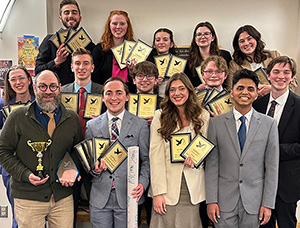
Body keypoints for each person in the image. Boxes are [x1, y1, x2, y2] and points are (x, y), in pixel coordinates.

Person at [0, 69, 83, 227]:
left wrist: (73, 168)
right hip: (28, 196)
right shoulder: (17, 117)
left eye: (53, 87)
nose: (48, 92)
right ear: (35, 88)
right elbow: (2, 151)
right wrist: (24, 174)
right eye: (43, 87)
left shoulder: (72, 118)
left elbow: (78, 151)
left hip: (62, 197)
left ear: (60, 87)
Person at [205, 69, 279, 227]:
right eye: (240, 88)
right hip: (223, 202)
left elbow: (272, 167)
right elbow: (212, 165)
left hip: (255, 201)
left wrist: (268, 203)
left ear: (257, 93)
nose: (245, 92)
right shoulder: (216, 123)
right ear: (231, 92)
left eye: (250, 89)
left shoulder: (269, 124)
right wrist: (211, 200)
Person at [85, 77, 150, 228]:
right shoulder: (92, 125)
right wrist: (94, 169)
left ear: (127, 97)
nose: (114, 97)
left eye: (119, 93)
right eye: (109, 93)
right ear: (102, 98)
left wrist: (143, 182)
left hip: (129, 195)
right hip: (100, 198)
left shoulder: (140, 125)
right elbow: (88, 161)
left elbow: (146, 160)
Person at [149, 72, 210, 228]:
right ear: (168, 94)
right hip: (166, 189)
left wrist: (198, 160)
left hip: (192, 190)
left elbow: (206, 148)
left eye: (181, 89)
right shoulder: (160, 116)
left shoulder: (203, 116)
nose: (177, 93)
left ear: (189, 91)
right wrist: (157, 193)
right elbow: (155, 156)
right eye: (172, 90)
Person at [253, 56, 300, 228]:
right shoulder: (257, 105)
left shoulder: (299, 105)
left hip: (286, 183)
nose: (281, 76)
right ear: (268, 75)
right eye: (276, 72)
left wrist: (275, 151)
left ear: (292, 77)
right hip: (259, 182)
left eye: (286, 72)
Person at [61, 47, 102, 226]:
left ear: (92, 67)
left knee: (100, 209)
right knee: (68, 209)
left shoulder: (105, 91)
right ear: (71, 67)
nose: (81, 67)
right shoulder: (61, 92)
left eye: (86, 63)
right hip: (68, 155)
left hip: (96, 155)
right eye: (77, 63)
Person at [0, 65, 35, 228]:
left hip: (36, 164)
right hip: (12, 166)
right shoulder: (2, 106)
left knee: (37, 213)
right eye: (13, 79)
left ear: (29, 79)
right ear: (8, 83)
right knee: (18, 214)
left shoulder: (39, 103)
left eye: (21, 77)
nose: (18, 82)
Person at [35, 0, 95, 86]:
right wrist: (56, 62)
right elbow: (38, 70)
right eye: (66, 13)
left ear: (80, 18)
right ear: (60, 18)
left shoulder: (88, 44)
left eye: (74, 13)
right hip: (57, 93)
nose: (70, 16)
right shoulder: (49, 41)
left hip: (82, 92)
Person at [229, 25, 297, 95]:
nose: (246, 43)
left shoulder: (273, 56)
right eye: (242, 41)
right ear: (238, 45)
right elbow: (230, 89)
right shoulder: (234, 64)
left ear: (256, 39)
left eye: (249, 39)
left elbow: (292, 82)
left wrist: (273, 89)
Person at [92, 10, 136, 92]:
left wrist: (131, 73)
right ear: (109, 26)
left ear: (127, 26)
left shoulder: (135, 49)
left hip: (129, 94)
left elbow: (140, 80)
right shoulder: (99, 49)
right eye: (114, 23)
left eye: (122, 24)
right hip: (105, 94)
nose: (118, 27)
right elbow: (94, 76)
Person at [185, 21, 232, 90]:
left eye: (206, 34)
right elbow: (188, 86)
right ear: (195, 39)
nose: (202, 37)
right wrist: (197, 90)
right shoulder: (189, 62)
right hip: (200, 98)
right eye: (199, 34)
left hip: (222, 97)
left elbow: (230, 80)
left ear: (213, 37)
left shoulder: (225, 56)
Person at [147, 28, 177, 97]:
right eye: (158, 40)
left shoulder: (179, 63)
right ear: (154, 44)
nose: (161, 42)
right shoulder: (147, 64)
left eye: (165, 40)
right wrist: (154, 85)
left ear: (171, 44)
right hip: (154, 101)